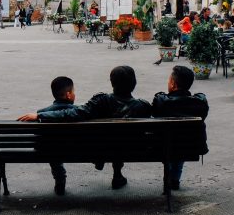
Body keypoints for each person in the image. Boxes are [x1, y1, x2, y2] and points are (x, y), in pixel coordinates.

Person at [18, 65, 151, 189]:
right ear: (134, 83)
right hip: (133, 149)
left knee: (112, 138)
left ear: (112, 83)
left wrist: (41, 116)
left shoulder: (101, 101)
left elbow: (73, 113)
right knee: (122, 138)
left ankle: (113, 169)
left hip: (102, 148)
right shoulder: (143, 106)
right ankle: (117, 175)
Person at [151, 65, 209, 191]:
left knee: (170, 140)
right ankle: (175, 179)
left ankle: (170, 178)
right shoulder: (200, 103)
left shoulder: (161, 102)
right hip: (190, 147)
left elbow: (155, 110)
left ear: (172, 83)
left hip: (163, 145)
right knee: (181, 142)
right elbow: (201, 99)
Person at [16, 76, 77, 195]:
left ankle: (60, 179)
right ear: (69, 95)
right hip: (78, 150)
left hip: (48, 151)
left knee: (52, 148)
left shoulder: (42, 113)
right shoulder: (80, 111)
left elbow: (39, 137)